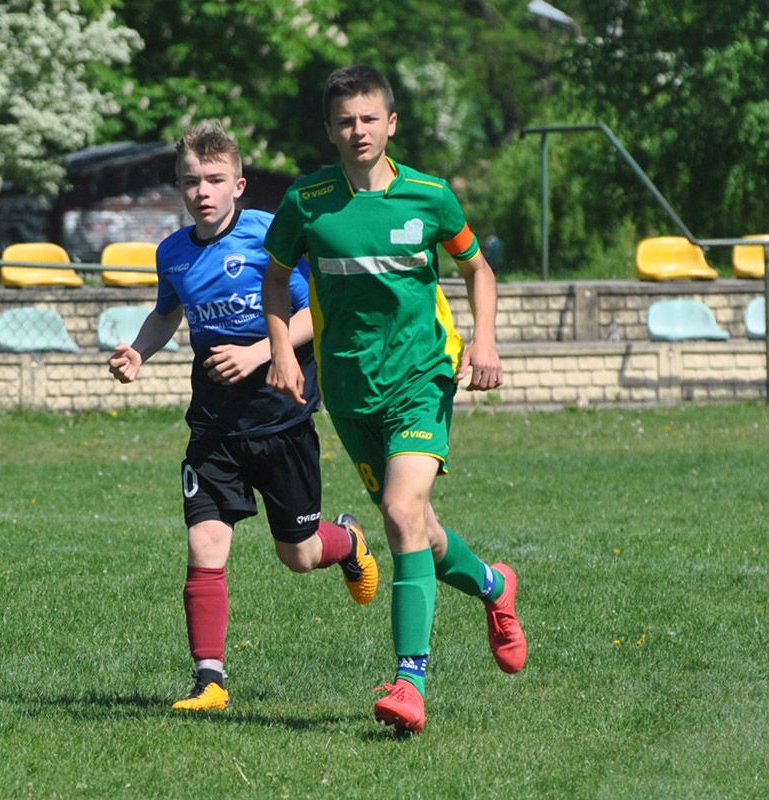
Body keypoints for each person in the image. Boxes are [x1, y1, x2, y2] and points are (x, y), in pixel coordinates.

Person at [262, 64, 527, 735]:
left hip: (421, 377)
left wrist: (486, 344)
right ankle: (495, 586)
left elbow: (478, 268)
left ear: (391, 124)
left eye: (369, 118)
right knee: (420, 530)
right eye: (345, 121)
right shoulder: (307, 201)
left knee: (400, 508)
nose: (358, 131)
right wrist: (284, 351)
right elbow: (275, 278)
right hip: (350, 391)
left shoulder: (429, 197)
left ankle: (410, 682)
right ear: (330, 129)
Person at [108, 120, 379, 712]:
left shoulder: (269, 237)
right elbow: (166, 313)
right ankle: (210, 682)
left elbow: (317, 314)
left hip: (279, 419)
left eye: (214, 179)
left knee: (299, 554)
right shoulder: (173, 251)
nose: (201, 191)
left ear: (239, 185)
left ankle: (349, 541)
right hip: (213, 427)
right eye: (190, 181)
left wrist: (260, 352)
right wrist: (138, 351)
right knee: (205, 543)